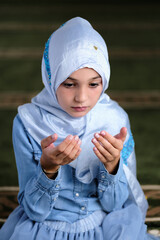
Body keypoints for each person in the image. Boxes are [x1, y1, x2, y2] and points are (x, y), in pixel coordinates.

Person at [0, 17, 158, 240]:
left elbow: (115, 205)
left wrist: (112, 165)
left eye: (94, 84)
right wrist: (48, 169)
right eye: (69, 83)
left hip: (105, 226)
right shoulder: (29, 123)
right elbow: (35, 210)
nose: (81, 97)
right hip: (44, 228)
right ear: (51, 77)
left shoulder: (113, 120)